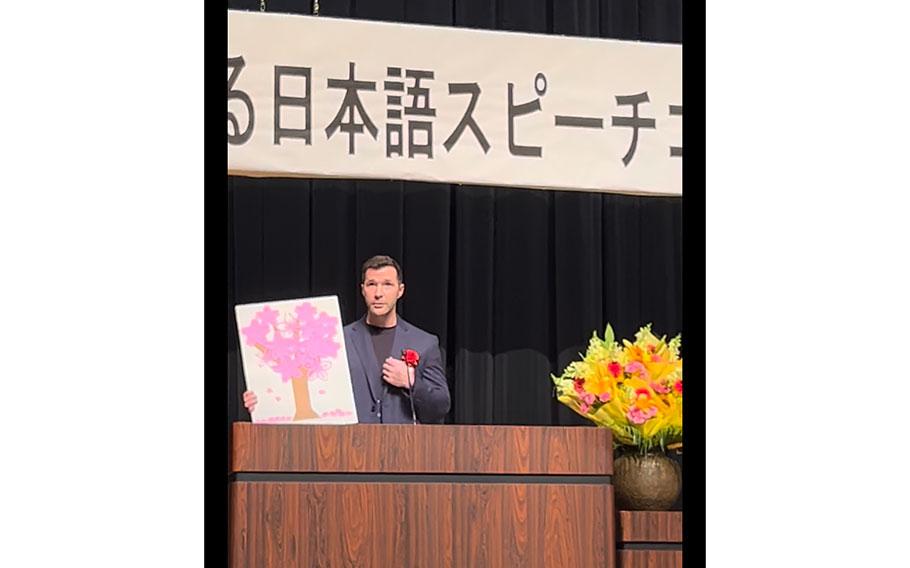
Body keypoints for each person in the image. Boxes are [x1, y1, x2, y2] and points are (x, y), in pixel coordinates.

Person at [242, 255, 451, 424]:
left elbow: (440, 407)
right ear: (363, 290)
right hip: (347, 454)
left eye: (387, 284)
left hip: (403, 456)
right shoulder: (336, 339)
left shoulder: (424, 342)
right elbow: (311, 392)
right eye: (371, 284)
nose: (378, 293)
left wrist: (411, 382)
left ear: (400, 290)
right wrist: (263, 403)